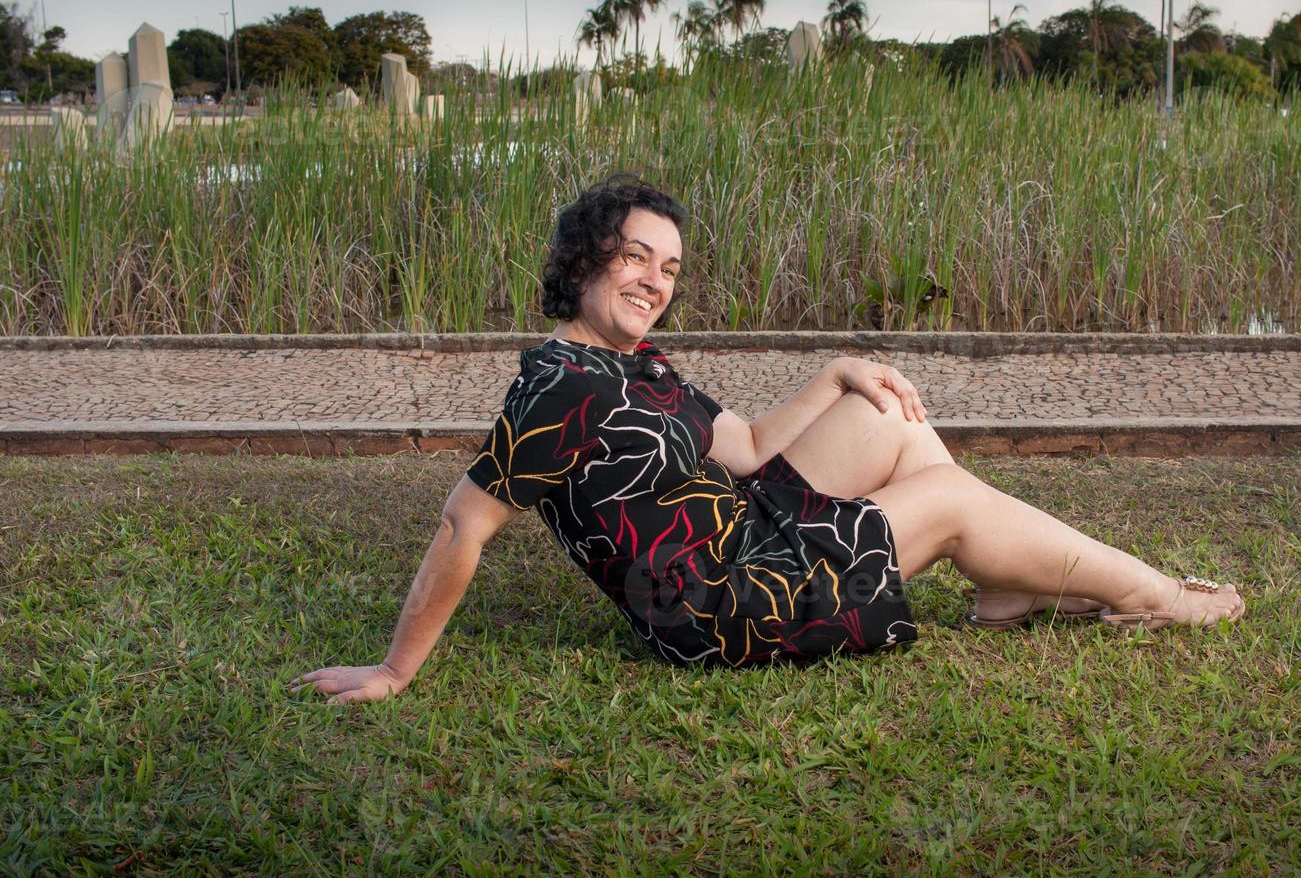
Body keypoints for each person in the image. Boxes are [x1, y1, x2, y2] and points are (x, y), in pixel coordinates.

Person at [290, 175, 1243, 703]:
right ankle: (1152, 596)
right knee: (948, 500)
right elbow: (465, 527)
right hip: (718, 604)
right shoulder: (558, 385)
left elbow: (742, 445)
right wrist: (393, 668)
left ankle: (1002, 585)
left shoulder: (640, 364)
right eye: (635, 258)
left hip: (743, 527)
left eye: (668, 268)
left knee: (887, 414)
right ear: (584, 260)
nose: (655, 281)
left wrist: (834, 373)